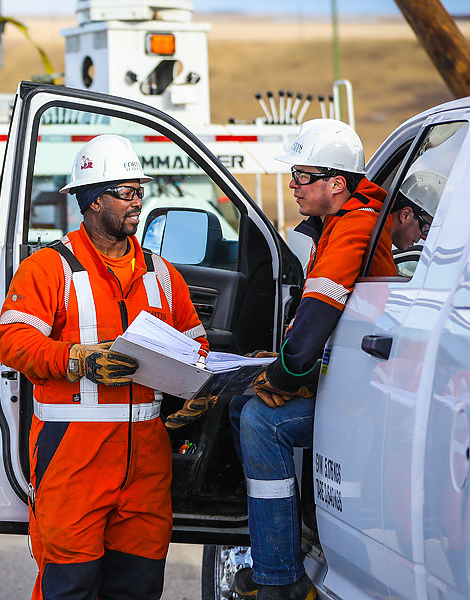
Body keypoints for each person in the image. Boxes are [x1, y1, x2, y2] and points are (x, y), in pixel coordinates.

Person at [0, 134, 209, 599]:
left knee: (138, 588)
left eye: (140, 191)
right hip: (73, 462)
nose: (138, 201)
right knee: (69, 588)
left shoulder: (162, 274)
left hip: (146, 465)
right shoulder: (49, 268)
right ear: (93, 200)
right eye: (127, 192)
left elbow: (196, 345)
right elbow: (12, 342)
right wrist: (77, 358)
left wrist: (199, 385)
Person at [229, 119, 396, 599]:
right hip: (351, 376)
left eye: (302, 176)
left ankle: (280, 579)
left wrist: (284, 372)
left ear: (336, 184)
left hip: (369, 392)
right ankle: (290, 535)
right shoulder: (338, 224)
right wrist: (284, 362)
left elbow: (319, 314)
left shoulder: (354, 226)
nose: (293, 185)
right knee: (240, 406)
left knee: (260, 421)